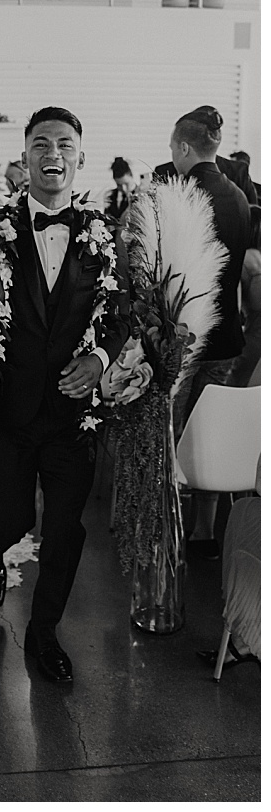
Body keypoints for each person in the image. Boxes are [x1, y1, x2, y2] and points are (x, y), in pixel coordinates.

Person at [0, 107, 130, 685]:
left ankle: (43, 633)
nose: (52, 153)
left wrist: (100, 357)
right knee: (10, 519)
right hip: (10, 412)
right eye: (40, 143)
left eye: (64, 144)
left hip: (74, 418)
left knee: (64, 528)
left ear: (80, 157)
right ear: (24, 156)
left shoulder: (105, 232)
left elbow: (120, 309)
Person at [167, 106, 255, 559]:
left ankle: (169, 530)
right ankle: (201, 532)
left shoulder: (179, 194)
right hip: (225, 340)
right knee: (208, 436)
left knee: (172, 434)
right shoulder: (240, 197)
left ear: (184, 147)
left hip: (185, 338)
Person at [104, 157, 138, 221]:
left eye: (126, 184)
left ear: (132, 176)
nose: (123, 188)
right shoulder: (110, 196)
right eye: (119, 185)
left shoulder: (142, 195)